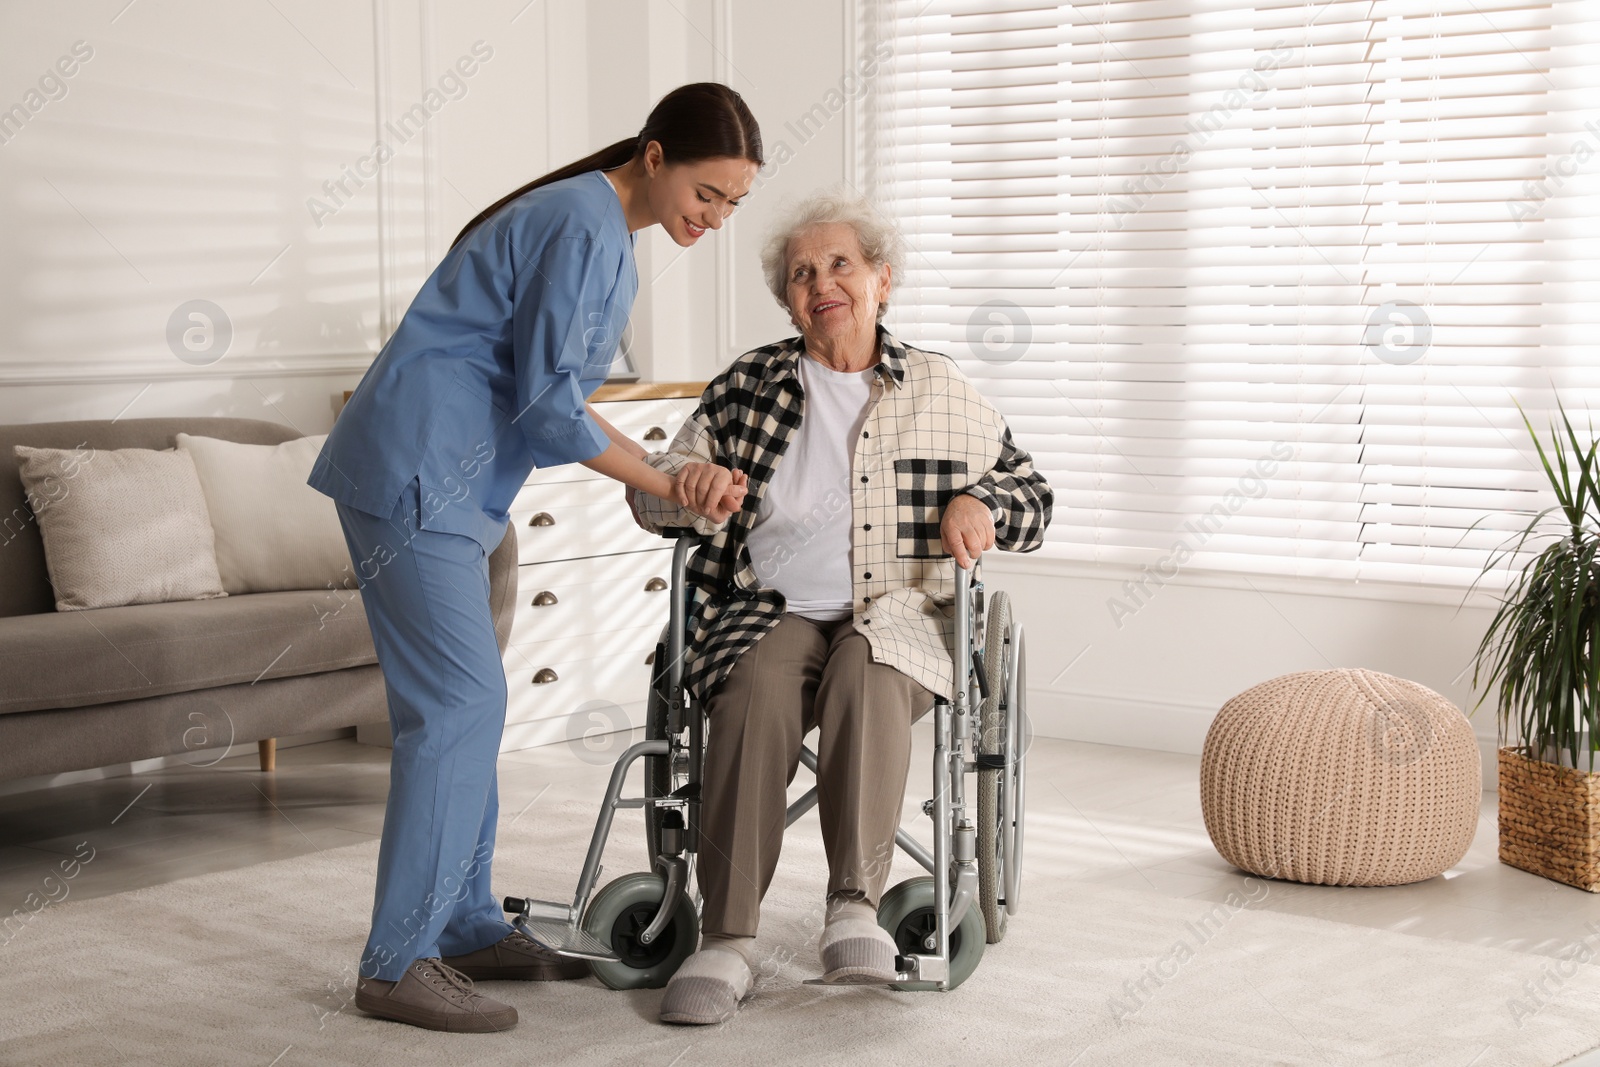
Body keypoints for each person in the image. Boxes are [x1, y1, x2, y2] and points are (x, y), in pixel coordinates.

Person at [305, 82, 762, 1034]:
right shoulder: (581, 222)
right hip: (415, 474)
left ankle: (466, 924)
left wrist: (659, 470)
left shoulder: (601, 230)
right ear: (655, 155)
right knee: (458, 706)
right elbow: (548, 408)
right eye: (708, 193)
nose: (714, 218)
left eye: (733, 206)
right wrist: (668, 478)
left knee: (470, 706)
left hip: (453, 485)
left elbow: (546, 390)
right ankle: (395, 964)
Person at [627, 189, 1053, 1025]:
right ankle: (728, 935)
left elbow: (1033, 493)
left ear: (881, 281)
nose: (821, 283)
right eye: (800, 274)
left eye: (840, 265)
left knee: (868, 666)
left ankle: (853, 903)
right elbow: (653, 500)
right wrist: (688, 486)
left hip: (897, 613)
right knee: (750, 688)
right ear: (786, 298)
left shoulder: (941, 388)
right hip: (767, 608)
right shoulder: (747, 385)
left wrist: (986, 506)